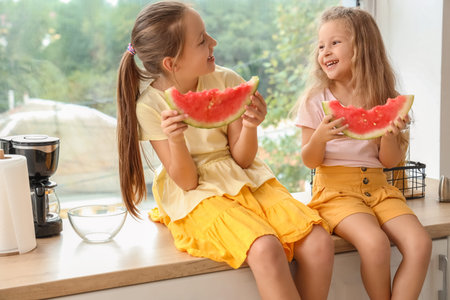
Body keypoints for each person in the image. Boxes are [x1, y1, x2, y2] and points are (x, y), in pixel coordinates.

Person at [116, 2, 334, 300]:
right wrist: (176, 139)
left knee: (320, 243)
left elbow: (243, 158)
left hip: (246, 178)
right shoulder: (150, 106)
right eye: (202, 40)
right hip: (196, 194)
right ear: (172, 63)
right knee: (266, 247)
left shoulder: (227, 79)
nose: (213, 43)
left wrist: (251, 124)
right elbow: (187, 182)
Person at [295, 6, 432, 300]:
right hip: (335, 192)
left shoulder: (388, 99)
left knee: (420, 243)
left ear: (362, 47)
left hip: (381, 188)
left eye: (335, 43)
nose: (325, 51)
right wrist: (320, 137)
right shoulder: (315, 99)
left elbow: (389, 161)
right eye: (321, 46)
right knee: (375, 243)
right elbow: (309, 159)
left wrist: (390, 134)